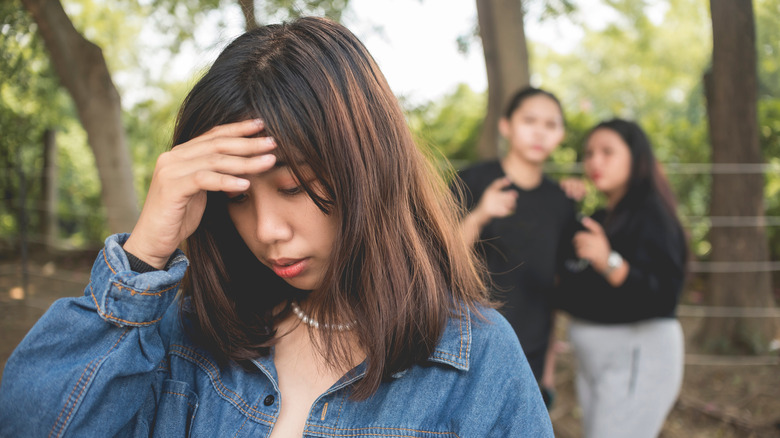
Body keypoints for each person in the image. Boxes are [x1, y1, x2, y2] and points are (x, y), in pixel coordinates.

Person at [0, 17, 553, 437]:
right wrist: (144, 255)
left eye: (294, 188)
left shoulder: (475, 361)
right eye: (236, 200)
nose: (267, 230)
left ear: (366, 173)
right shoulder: (182, 335)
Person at [553, 118, 687, 438]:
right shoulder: (603, 217)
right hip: (596, 364)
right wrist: (564, 207)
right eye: (589, 153)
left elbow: (665, 295)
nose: (595, 161)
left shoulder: (652, 214)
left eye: (607, 152)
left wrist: (609, 261)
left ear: (635, 157)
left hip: (638, 359)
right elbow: (566, 277)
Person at [453, 86, 578, 407]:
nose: (540, 132)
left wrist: (547, 371)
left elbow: (555, 288)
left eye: (551, 125)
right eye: (530, 120)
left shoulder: (560, 202)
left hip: (530, 356)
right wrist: (479, 215)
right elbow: (438, 259)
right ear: (505, 126)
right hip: (467, 348)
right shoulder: (471, 181)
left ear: (561, 134)